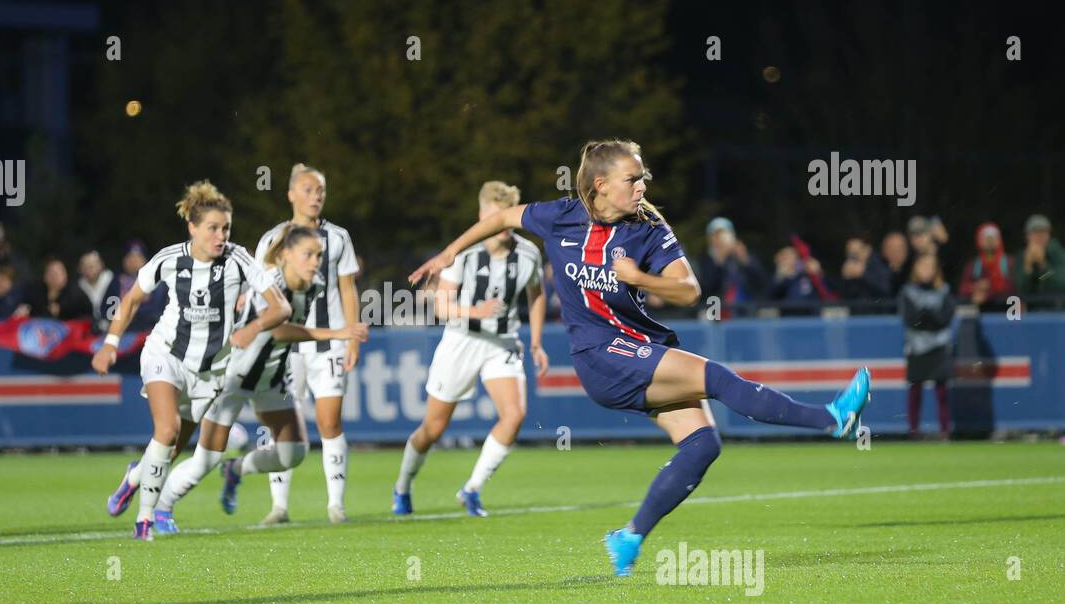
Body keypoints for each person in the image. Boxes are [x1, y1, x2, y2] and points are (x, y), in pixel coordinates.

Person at [409, 139, 870, 577]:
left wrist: (638, 278)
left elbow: (689, 290)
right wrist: (448, 253)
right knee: (717, 377)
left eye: (642, 177)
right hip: (600, 356)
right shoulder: (561, 216)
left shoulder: (648, 229)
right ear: (600, 186)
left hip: (638, 348)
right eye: (633, 178)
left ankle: (628, 538)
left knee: (704, 445)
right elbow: (504, 217)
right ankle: (829, 419)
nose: (642, 186)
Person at [91, 181, 289, 540]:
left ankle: (135, 477)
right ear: (192, 228)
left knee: (167, 451)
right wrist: (110, 343)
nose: (221, 235)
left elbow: (282, 307)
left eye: (226, 227)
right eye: (213, 227)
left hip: (209, 374)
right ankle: (144, 522)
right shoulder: (170, 258)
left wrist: (253, 327)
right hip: (165, 354)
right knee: (165, 432)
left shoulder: (238, 259)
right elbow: (132, 298)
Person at [151, 225, 369, 529]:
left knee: (293, 453)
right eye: (308, 254)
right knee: (205, 459)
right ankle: (161, 507)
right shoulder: (273, 285)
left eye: (319, 255)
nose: (315, 261)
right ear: (286, 255)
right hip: (233, 378)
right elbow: (277, 329)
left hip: (270, 379)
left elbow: (283, 335)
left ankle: (236, 469)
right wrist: (337, 333)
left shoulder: (315, 284)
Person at [392, 181, 548, 517]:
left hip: (503, 343)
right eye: (495, 216)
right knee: (433, 429)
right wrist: (473, 312)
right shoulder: (465, 252)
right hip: (463, 341)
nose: (503, 224)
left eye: (507, 216)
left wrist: (535, 340)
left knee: (514, 416)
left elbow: (537, 295)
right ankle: (403, 486)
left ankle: (472, 489)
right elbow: (441, 307)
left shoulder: (528, 253)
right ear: (482, 216)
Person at [251, 163, 362, 523]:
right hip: (284, 347)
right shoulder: (273, 239)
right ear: (291, 194)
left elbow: (347, 287)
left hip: (328, 345)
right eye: (309, 190)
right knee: (281, 426)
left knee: (330, 421)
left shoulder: (339, 237)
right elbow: (258, 290)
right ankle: (279, 506)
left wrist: (354, 334)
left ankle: (336, 504)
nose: (316, 197)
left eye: (321, 191)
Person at [899, 253, 955, 439]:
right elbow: (910, 319)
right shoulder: (908, 292)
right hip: (916, 347)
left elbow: (945, 319)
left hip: (939, 346)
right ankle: (914, 430)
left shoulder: (944, 291)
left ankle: (944, 431)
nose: (926, 270)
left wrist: (925, 315)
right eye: (922, 266)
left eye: (930, 266)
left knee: (942, 391)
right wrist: (929, 315)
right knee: (915, 390)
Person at [695, 217, 768, 317]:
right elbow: (707, 287)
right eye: (717, 235)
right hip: (717, 310)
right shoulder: (706, 260)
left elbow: (761, 281)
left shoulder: (743, 256)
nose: (722, 239)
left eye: (725, 234)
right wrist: (720, 259)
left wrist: (744, 258)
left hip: (747, 308)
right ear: (710, 238)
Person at [958, 221, 1016, 311]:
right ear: (979, 241)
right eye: (986, 238)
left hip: (1005, 313)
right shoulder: (973, 265)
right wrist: (976, 287)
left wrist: (988, 291)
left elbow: (1015, 288)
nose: (989, 241)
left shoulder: (1009, 263)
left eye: (992, 238)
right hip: (981, 314)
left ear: (999, 241)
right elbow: (963, 289)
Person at [23, 257, 93, 320]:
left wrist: (62, 310)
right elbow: (30, 310)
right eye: (51, 273)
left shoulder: (76, 293)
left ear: (65, 275)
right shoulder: (37, 292)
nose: (55, 276)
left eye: (58, 273)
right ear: (44, 276)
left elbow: (86, 315)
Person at [1015, 214, 1065, 296]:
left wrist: (1043, 265)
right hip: (1034, 307)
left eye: (1043, 232)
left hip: (1058, 307)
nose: (1039, 237)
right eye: (1035, 232)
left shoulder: (1057, 253)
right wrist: (1028, 267)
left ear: (1049, 235)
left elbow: (1061, 282)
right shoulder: (1021, 257)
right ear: (1027, 236)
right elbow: (1022, 289)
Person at [835, 234, 893, 301]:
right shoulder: (845, 265)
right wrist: (845, 280)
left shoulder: (880, 265)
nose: (854, 256)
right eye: (850, 253)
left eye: (858, 251)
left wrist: (864, 274)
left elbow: (886, 292)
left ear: (868, 250)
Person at [77, 249, 121, 333]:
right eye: (85, 266)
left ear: (101, 265)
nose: (89, 269)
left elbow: (115, 313)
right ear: (80, 268)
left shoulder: (112, 282)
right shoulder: (78, 287)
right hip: (86, 333)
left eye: (93, 265)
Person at [879, 231, 910, 296]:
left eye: (899, 248)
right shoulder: (874, 273)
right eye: (891, 248)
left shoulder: (913, 273)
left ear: (907, 251)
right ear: (883, 250)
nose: (895, 252)